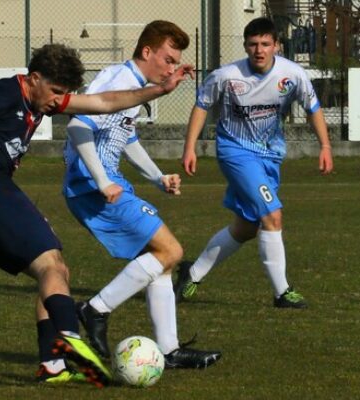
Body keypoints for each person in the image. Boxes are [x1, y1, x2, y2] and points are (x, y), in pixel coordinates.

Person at [0, 43, 194, 387]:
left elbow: (104, 102)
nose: (59, 100)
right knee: (51, 266)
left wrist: (160, 90)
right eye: (56, 91)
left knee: (54, 270)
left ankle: (52, 365)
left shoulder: (42, 97)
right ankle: (71, 338)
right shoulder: (5, 92)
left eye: (65, 93)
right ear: (34, 79)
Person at [63, 21, 222, 369]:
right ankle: (95, 309)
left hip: (105, 184)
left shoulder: (135, 88)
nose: (170, 68)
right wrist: (103, 181)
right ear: (147, 52)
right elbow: (77, 125)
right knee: (172, 251)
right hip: (90, 186)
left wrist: (157, 177)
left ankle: (169, 350)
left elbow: (126, 139)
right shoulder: (119, 79)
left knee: (160, 260)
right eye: (167, 59)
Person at [175, 17, 334, 308]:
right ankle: (282, 292)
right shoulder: (226, 76)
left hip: (270, 154)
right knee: (272, 215)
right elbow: (202, 107)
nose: (259, 50)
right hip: (235, 152)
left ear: (276, 46)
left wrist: (325, 145)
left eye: (265, 44)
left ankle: (192, 273)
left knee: (246, 227)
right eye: (252, 44)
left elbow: (313, 108)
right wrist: (190, 148)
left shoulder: (293, 74)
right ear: (246, 46)